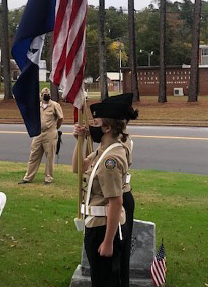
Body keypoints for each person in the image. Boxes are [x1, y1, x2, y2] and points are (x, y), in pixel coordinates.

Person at [72, 93, 138, 287]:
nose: (92, 125)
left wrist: (108, 241)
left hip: (105, 228)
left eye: (96, 122)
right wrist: (80, 140)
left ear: (107, 128)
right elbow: (78, 168)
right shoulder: (102, 150)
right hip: (96, 225)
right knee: (100, 278)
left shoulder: (111, 159)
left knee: (107, 280)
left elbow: (116, 202)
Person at [19, 87, 63, 185]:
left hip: (50, 133)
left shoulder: (55, 105)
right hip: (38, 133)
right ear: (41, 96)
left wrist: (55, 128)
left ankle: (48, 178)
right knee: (33, 155)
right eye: (44, 94)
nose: (46, 96)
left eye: (48, 94)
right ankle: (28, 177)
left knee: (50, 156)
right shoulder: (37, 106)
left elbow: (60, 118)